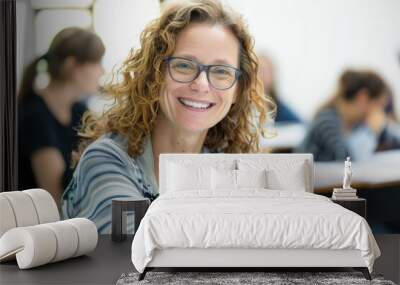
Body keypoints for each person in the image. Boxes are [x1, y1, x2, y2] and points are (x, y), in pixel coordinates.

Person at [61, 0, 275, 233]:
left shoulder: (226, 164)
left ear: (237, 90)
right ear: (155, 75)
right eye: (184, 66)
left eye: (221, 71)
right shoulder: (106, 160)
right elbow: (140, 257)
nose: (201, 84)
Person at [18, 27, 105, 207]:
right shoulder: (35, 115)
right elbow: (55, 197)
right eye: (96, 63)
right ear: (72, 66)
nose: (102, 71)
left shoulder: (79, 111)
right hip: (37, 226)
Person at [296, 69, 400, 161]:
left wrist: (380, 129)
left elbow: (394, 142)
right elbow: (347, 159)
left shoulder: (359, 123)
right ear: (363, 97)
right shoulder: (327, 120)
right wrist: (371, 130)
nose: (380, 113)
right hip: (310, 182)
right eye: (379, 105)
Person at [258, 53, 301, 123]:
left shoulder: (279, 107)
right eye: (259, 70)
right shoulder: (243, 105)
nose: (261, 75)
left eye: (265, 71)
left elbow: (299, 124)